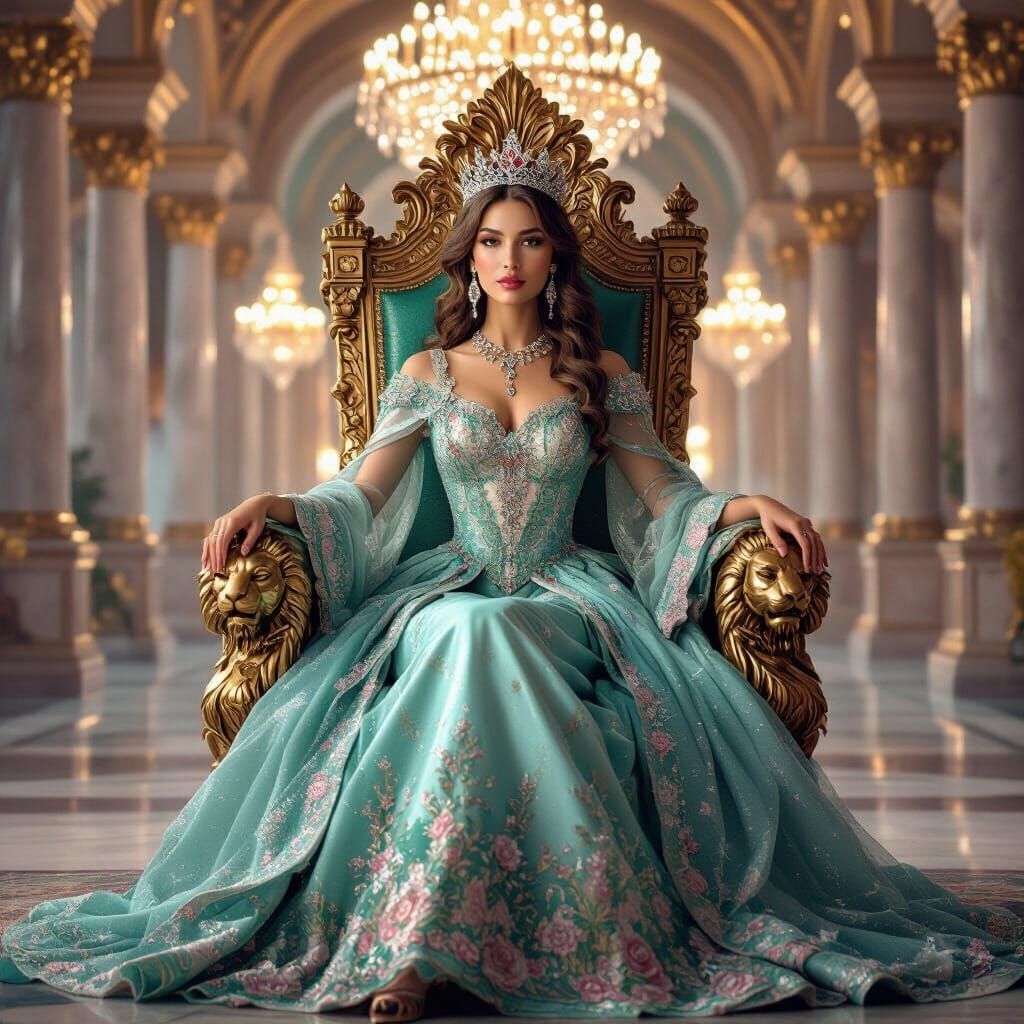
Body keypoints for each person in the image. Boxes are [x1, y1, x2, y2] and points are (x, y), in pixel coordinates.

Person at [1, 131, 1021, 1022]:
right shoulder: (428, 374)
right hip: (448, 590)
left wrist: (747, 505)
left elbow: (663, 498)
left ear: (554, 254)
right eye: (490, 239)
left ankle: (458, 941)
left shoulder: (599, 375)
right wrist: (274, 504)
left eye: (528, 238)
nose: (508, 257)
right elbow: (358, 494)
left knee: (487, 634)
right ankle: (409, 940)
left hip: (567, 596)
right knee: (458, 632)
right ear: (468, 253)